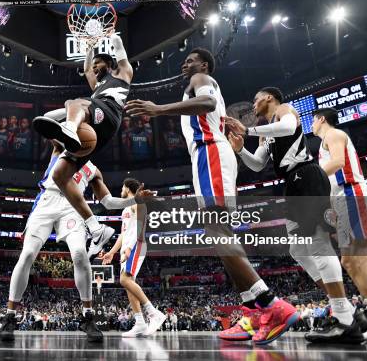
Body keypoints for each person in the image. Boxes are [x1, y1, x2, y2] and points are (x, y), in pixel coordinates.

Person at [125, 48, 298, 345]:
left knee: (216, 230)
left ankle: (272, 304)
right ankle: (253, 313)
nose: (185, 63)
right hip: (207, 156)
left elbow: (206, 103)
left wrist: (159, 109)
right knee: (218, 234)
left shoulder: (202, 78)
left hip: (211, 153)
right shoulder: (196, 83)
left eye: (190, 59)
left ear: (203, 65)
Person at [226, 88, 365, 344]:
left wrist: (250, 131)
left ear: (269, 98)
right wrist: (240, 149)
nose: (253, 104)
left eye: (256, 99)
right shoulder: (267, 130)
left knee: (317, 244)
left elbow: (289, 128)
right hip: (292, 182)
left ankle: (345, 321)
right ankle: (348, 310)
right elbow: (257, 164)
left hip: (307, 175)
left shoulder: (283, 110)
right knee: (298, 250)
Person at [0, 141, 152, 343]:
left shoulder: (93, 170)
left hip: (73, 207)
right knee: (27, 254)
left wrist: (135, 200)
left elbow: (108, 202)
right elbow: (47, 121)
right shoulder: (61, 148)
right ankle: (10, 316)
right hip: (47, 201)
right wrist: (74, 113)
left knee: (80, 254)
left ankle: (87, 316)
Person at [32, 33, 133, 257]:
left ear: (109, 64)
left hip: (108, 113)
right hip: (97, 133)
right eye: (94, 66)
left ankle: (69, 128)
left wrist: (112, 34)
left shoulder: (123, 74)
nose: (94, 69)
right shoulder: (96, 84)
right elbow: (86, 70)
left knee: (74, 102)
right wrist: (89, 47)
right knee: (59, 176)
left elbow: (120, 51)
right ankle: (97, 229)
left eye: (99, 65)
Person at [312, 107, 367, 341]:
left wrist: (312, 180)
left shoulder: (333, 134)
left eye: (313, 120)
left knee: (359, 257)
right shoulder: (325, 141)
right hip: (342, 201)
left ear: (321, 119)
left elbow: (338, 162)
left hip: (353, 193)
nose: (312, 125)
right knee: (350, 261)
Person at [100, 178, 166, 337]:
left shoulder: (137, 203)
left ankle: (153, 313)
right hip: (127, 247)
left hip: (136, 244)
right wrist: (112, 252)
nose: (120, 190)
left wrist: (130, 247)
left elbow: (141, 223)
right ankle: (140, 323)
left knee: (124, 280)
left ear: (127, 188)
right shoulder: (125, 208)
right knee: (128, 283)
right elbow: (123, 233)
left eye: (122, 187)